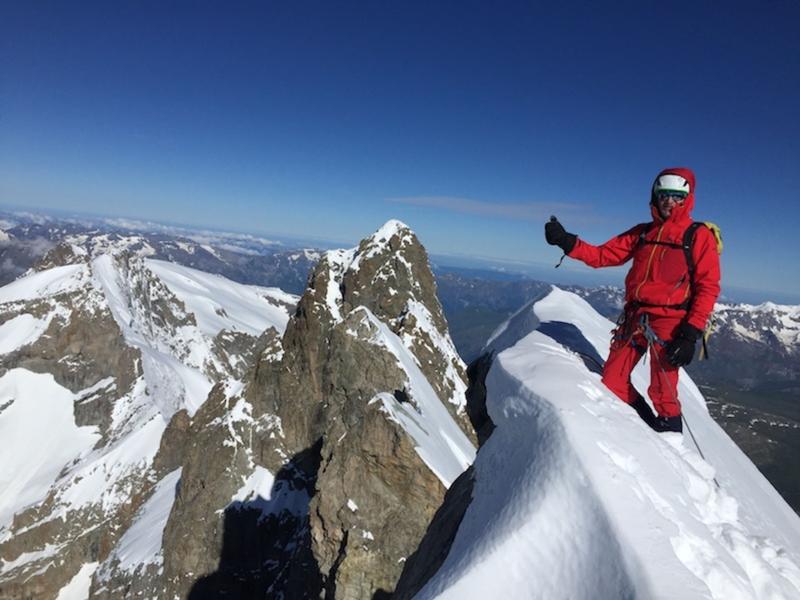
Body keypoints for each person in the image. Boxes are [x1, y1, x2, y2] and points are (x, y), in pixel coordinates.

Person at [544, 167, 721, 433]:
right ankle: (647, 431)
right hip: (636, 316)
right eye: (664, 195)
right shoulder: (642, 233)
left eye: (677, 196)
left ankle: (672, 440)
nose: (670, 202)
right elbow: (603, 255)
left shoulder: (698, 236)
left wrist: (690, 333)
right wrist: (567, 242)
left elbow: (708, 287)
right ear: (655, 196)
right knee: (613, 380)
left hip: (671, 322)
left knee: (663, 390)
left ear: (688, 199)